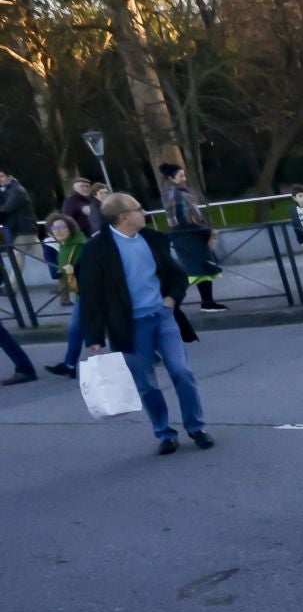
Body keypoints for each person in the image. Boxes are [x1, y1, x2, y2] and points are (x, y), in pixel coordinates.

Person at [76, 192, 212, 452]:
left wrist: (171, 299)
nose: (145, 213)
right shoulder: (96, 250)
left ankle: (196, 428)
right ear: (124, 217)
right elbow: (91, 295)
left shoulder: (152, 239)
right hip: (129, 325)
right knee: (146, 383)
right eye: (139, 208)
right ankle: (164, 433)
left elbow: (177, 275)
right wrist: (93, 337)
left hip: (162, 317)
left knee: (182, 372)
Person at [158, 163, 226, 311]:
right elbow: (181, 217)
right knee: (196, 270)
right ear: (171, 178)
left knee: (200, 270)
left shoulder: (174, 192)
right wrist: (203, 229)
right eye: (181, 176)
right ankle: (177, 302)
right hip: (188, 235)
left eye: (184, 175)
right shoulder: (176, 194)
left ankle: (207, 302)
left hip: (189, 234)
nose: (184, 178)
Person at [39, 214, 87, 379]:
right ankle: (69, 365)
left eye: (62, 227)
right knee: (75, 330)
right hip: (82, 296)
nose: (58, 231)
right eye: (54, 228)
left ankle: (69, 365)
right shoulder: (65, 247)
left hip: (91, 296)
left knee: (75, 329)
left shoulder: (80, 245)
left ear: (70, 228)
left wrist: (75, 272)